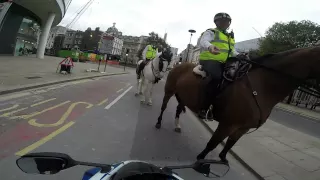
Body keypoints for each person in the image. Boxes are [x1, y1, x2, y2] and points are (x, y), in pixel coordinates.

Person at [197, 12, 245, 118]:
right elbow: (203, 41)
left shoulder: (229, 37)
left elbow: (232, 51)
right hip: (209, 59)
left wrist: (240, 55)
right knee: (216, 77)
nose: (225, 23)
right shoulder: (211, 32)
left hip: (224, 62)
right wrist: (210, 47)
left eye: (227, 22)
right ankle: (203, 108)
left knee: (234, 77)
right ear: (216, 22)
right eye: (222, 21)